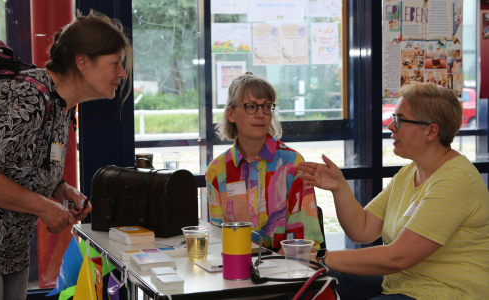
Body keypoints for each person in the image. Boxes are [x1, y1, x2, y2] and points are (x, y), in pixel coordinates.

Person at [0, 10, 132, 300]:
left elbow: (19, 160)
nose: (122, 73)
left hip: (7, 247)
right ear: (82, 62)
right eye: (115, 63)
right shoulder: (30, 96)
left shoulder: (60, 104)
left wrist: (60, 189)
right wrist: (44, 207)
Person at [295, 82, 489, 299]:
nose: (390, 126)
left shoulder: (456, 180)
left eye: (400, 120)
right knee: (310, 284)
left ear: (431, 132)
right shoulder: (409, 173)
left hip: (446, 293)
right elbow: (363, 229)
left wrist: (318, 257)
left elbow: (397, 258)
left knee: (318, 270)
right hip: (400, 285)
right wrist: (339, 187)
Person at [205, 72, 324, 253]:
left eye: (267, 107)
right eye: (251, 106)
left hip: (286, 267)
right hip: (236, 264)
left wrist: (274, 268)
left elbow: (306, 240)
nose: (261, 114)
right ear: (231, 114)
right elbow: (218, 238)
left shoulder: (292, 164)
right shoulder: (217, 171)